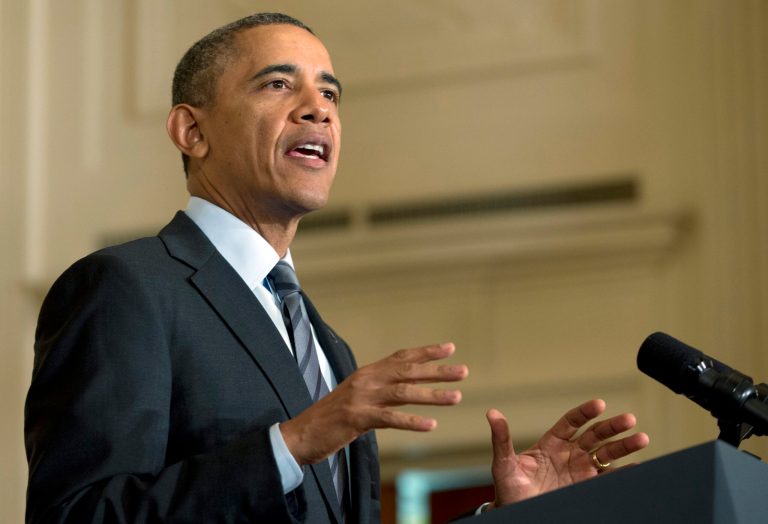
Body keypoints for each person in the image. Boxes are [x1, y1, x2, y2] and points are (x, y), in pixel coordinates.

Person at [24, 12, 649, 523]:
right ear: (191, 131)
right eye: (276, 84)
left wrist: (503, 517)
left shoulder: (330, 351)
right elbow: (76, 515)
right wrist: (294, 442)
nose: (317, 108)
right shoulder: (127, 289)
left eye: (329, 92)